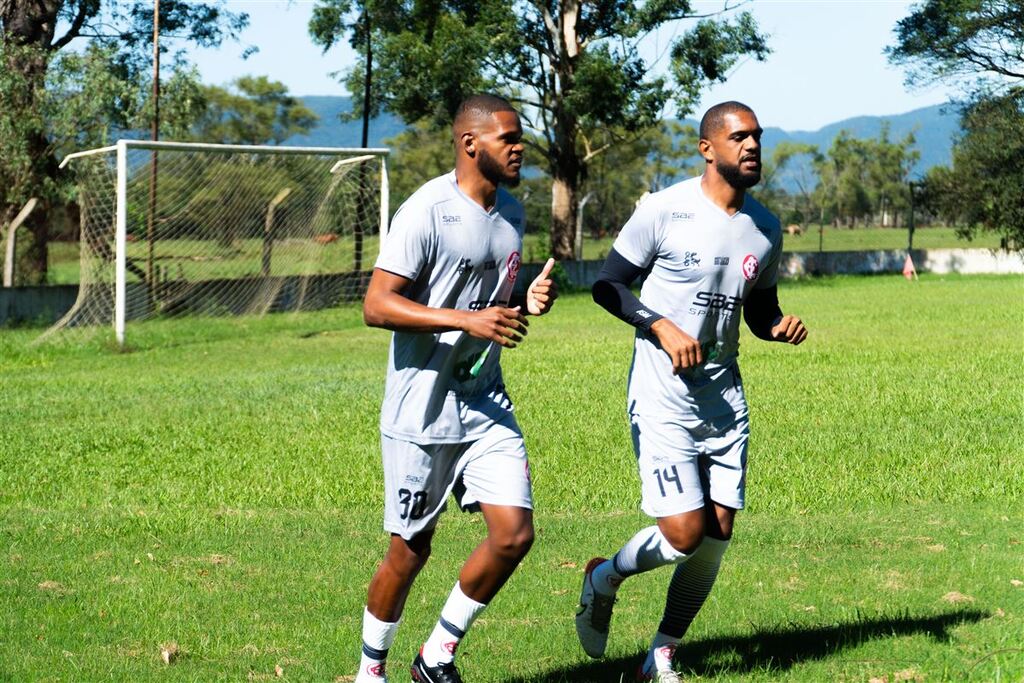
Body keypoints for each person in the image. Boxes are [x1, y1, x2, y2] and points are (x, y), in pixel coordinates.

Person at [576, 101, 807, 682]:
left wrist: (776, 327)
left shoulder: (766, 226)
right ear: (708, 148)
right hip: (663, 394)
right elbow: (607, 286)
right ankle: (604, 578)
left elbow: (759, 308)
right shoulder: (663, 210)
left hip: (724, 396)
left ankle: (660, 655)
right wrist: (659, 323)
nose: (752, 146)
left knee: (719, 531)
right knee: (683, 533)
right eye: (739, 137)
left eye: (757, 136)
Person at [357, 93, 558, 683]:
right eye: (508, 138)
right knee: (410, 550)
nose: (520, 148)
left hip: (484, 399)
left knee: (514, 534)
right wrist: (465, 320)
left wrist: (524, 303)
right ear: (471, 144)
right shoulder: (426, 210)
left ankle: (436, 655)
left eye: (521, 138)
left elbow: (488, 303)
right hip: (422, 407)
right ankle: (371, 672)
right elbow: (376, 305)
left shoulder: (514, 213)